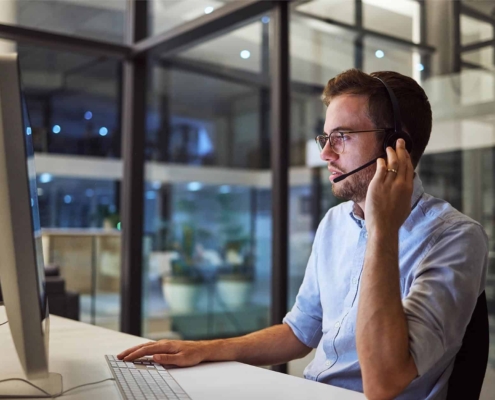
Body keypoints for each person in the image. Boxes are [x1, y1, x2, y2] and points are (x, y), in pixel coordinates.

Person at [118, 69, 488, 400]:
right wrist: (204, 349)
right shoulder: (334, 222)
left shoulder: (455, 238)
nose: (326, 153)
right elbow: (300, 333)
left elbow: (383, 383)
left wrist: (383, 230)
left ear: (396, 146)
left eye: (341, 136)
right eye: (325, 137)